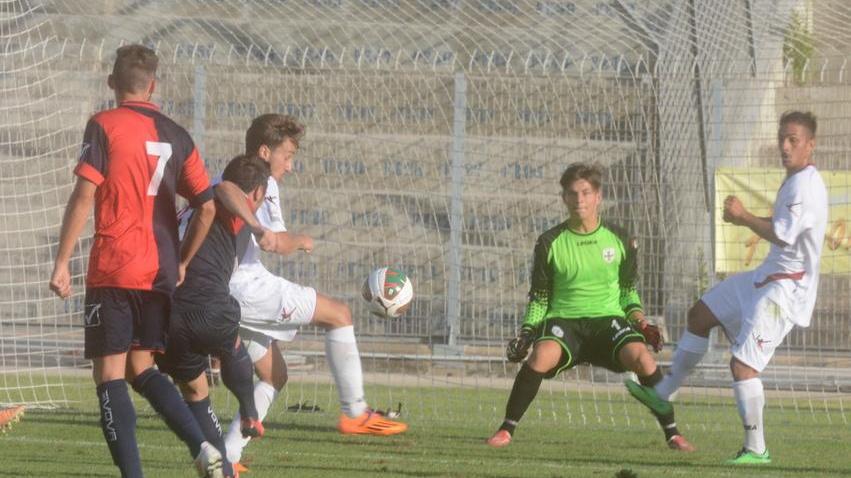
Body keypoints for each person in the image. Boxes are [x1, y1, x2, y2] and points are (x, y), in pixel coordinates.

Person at [48, 44, 223, 478]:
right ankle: (203, 447)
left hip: (115, 264)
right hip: (159, 268)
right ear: (153, 86)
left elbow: (85, 193)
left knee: (108, 375)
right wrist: (182, 260)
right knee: (140, 366)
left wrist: (62, 261)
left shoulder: (104, 125)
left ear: (112, 84)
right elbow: (207, 207)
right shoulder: (177, 135)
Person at [214, 113, 407, 470]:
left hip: (219, 290)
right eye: (287, 156)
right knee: (339, 315)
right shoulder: (262, 184)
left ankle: (228, 457)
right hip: (246, 287)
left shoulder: (224, 176)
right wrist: (302, 241)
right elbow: (275, 242)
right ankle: (355, 412)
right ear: (264, 152)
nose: (290, 165)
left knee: (275, 376)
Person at [647, 111, 828, 465]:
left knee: (743, 366)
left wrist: (743, 216)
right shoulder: (795, 180)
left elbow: (783, 235)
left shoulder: (805, 185)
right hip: (765, 276)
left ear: (811, 145)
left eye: (793, 140)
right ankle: (664, 392)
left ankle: (757, 449)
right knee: (700, 315)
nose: (785, 146)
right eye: (782, 138)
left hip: (785, 290)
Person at [487, 162, 693, 452]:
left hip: (607, 320)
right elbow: (541, 297)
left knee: (642, 358)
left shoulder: (620, 239)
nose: (579, 200)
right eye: (572, 194)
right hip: (565, 321)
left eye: (585, 193)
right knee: (541, 355)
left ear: (598, 196)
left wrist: (641, 323)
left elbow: (627, 292)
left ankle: (673, 434)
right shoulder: (549, 242)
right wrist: (527, 334)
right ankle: (506, 429)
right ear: (564, 198)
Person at [159, 154, 274, 478]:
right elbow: (225, 188)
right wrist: (255, 224)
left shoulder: (191, 207)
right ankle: (250, 413)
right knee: (230, 341)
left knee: (195, 391)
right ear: (257, 194)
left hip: (167, 312)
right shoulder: (227, 202)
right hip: (205, 303)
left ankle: (222, 468)